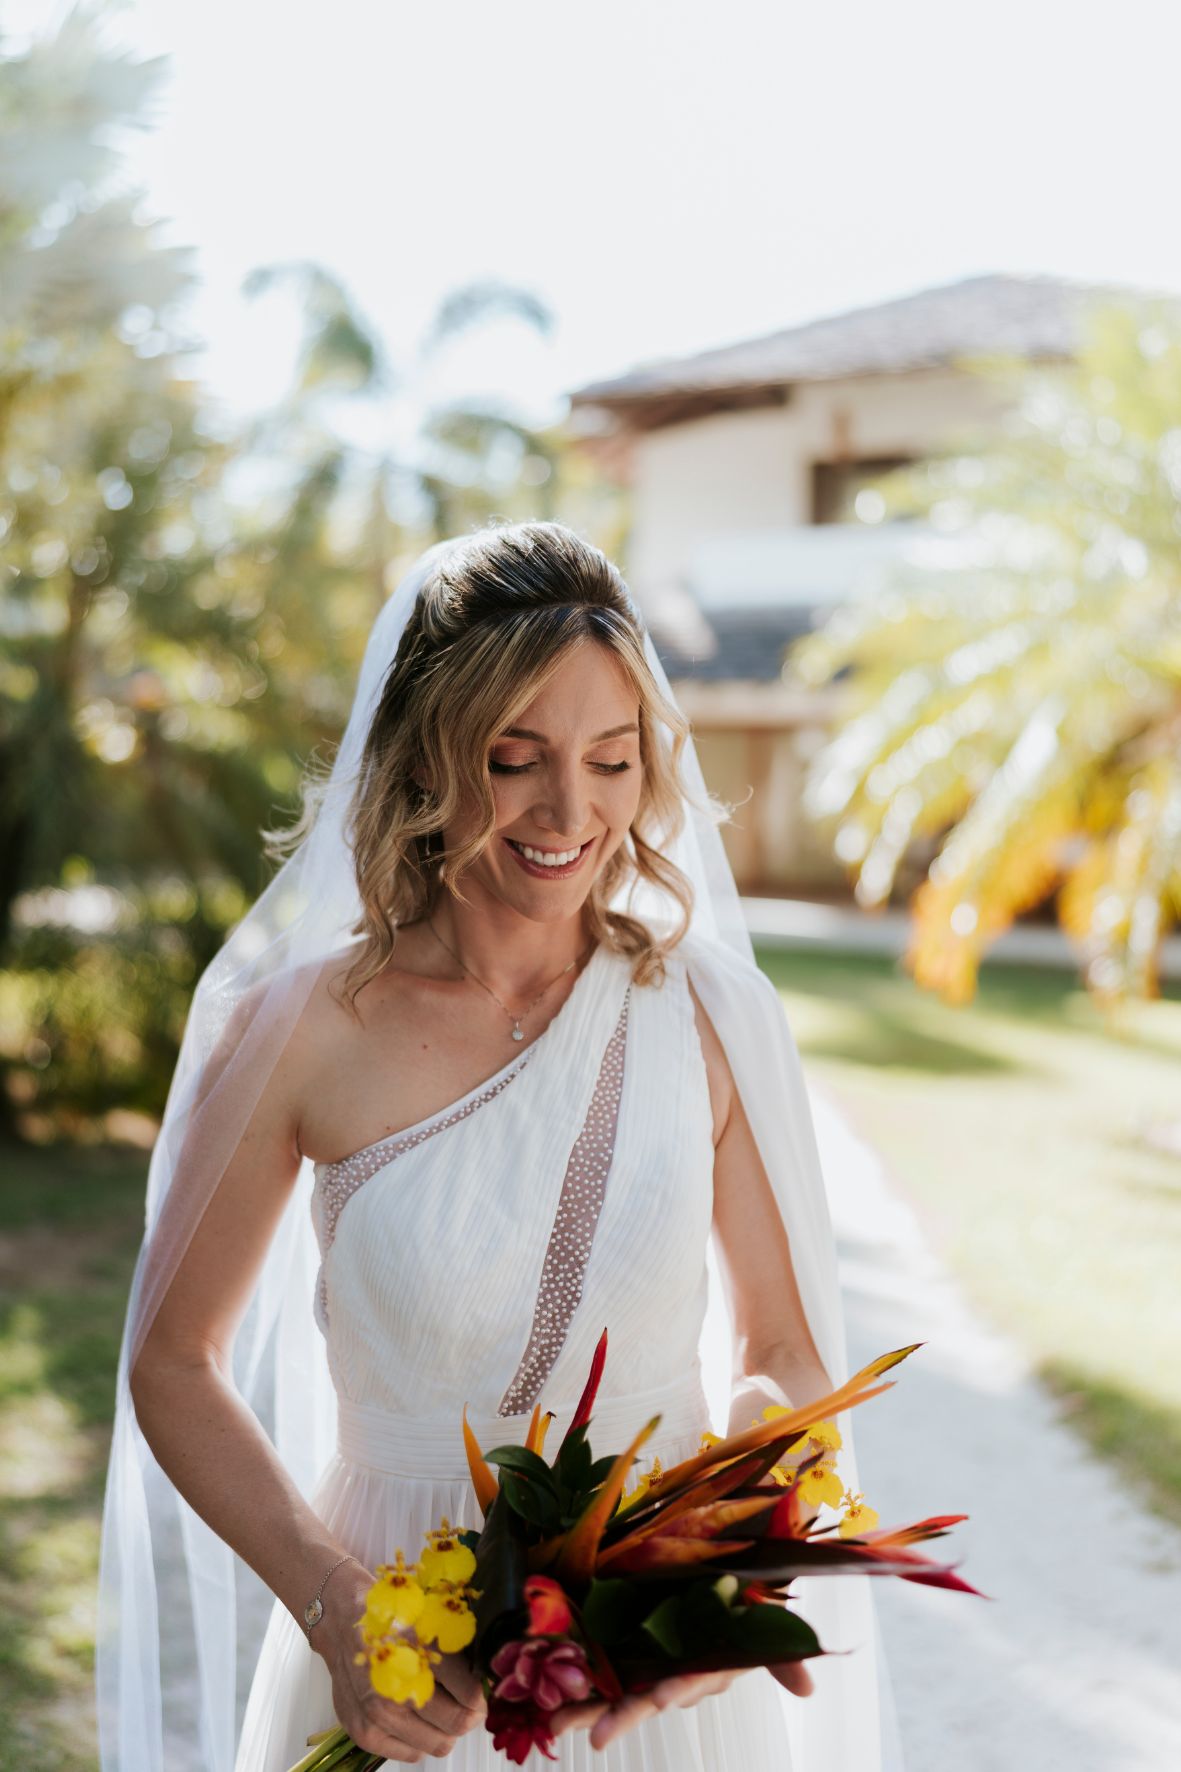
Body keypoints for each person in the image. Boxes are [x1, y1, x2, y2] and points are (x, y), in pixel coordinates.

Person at [96, 521, 904, 1769]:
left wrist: (727, 1551)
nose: (568, 812)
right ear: (425, 755)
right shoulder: (303, 1029)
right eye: (513, 757)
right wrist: (331, 1602)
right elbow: (173, 1360)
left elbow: (784, 1348)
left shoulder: (710, 1013)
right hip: (392, 1649)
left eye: (611, 759)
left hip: (655, 1667)